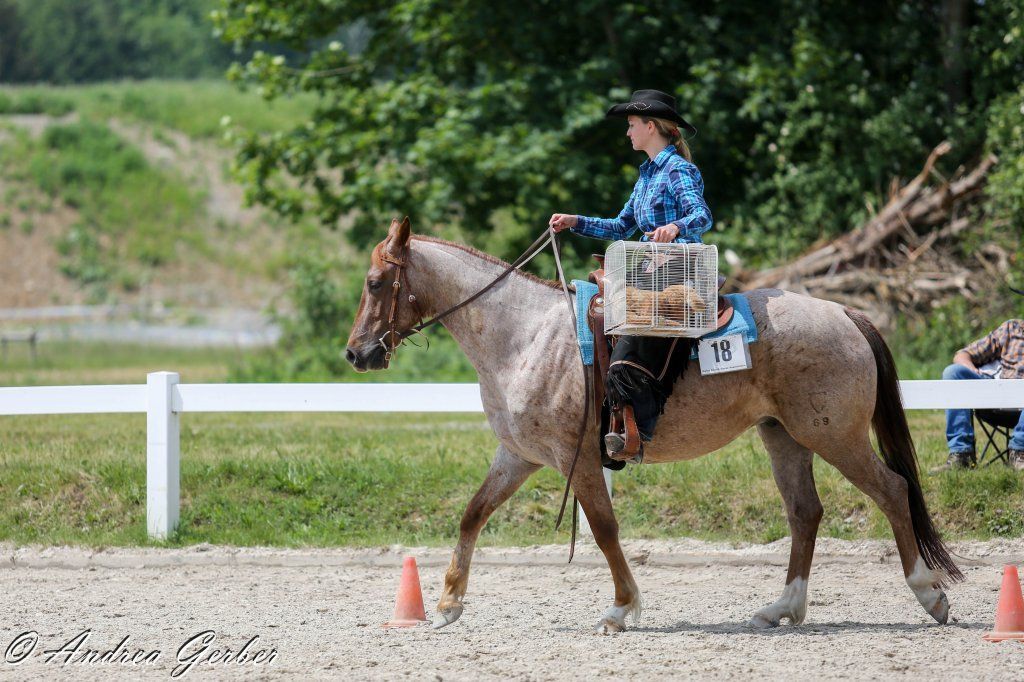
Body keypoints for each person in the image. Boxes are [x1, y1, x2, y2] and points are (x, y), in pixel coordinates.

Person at [550, 89, 713, 460]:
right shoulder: (646, 177)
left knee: (631, 348)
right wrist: (576, 221)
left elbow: (702, 216)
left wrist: (675, 227)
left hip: (677, 274)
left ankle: (638, 429)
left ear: (651, 126)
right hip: (647, 272)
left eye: (632, 125)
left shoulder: (679, 170)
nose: (628, 133)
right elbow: (621, 225)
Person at [931, 287, 1024, 472]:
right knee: (953, 372)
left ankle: (1019, 450)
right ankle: (961, 454)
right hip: (997, 398)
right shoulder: (1012, 329)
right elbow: (963, 355)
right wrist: (974, 371)